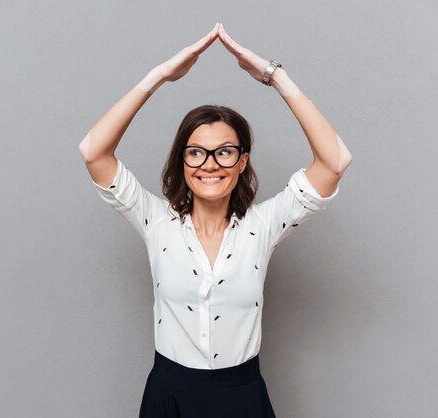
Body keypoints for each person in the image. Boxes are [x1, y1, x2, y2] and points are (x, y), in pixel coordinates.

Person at [78, 22, 352, 418]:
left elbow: (335, 160)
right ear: (182, 161)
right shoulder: (155, 220)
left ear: (242, 162)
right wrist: (159, 76)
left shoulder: (264, 225)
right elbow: (93, 151)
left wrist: (274, 76)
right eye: (196, 153)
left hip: (241, 397)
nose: (210, 164)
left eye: (225, 152)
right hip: (168, 396)